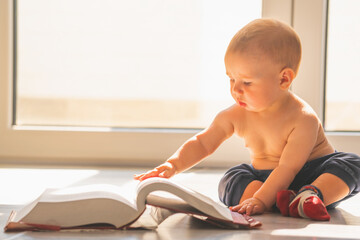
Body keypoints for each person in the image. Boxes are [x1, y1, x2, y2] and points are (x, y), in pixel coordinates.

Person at [134, 18, 360, 221]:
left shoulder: (303, 118)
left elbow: (288, 168)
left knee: (350, 164)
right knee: (232, 178)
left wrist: (261, 199)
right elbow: (203, 142)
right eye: (231, 79)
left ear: (284, 79)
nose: (236, 89)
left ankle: (311, 197)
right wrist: (173, 165)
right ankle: (281, 200)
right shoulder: (235, 114)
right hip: (263, 176)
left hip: (312, 172)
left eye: (247, 82)